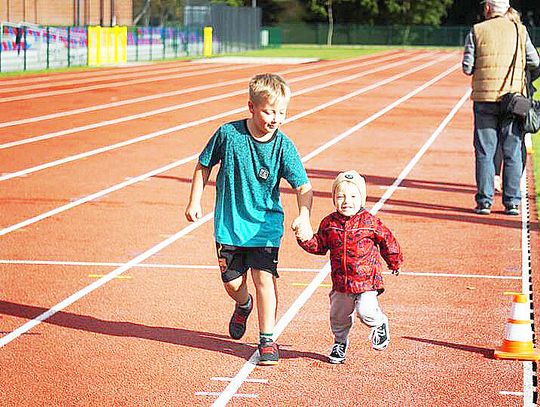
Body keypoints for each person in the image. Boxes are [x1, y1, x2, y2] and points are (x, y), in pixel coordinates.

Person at [185, 73, 313, 366]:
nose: (276, 118)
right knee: (232, 283)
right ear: (251, 107)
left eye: (282, 112)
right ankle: (243, 304)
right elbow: (203, 165)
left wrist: (304, 215)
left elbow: (303, 186)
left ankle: (267, 338)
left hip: (265, 227)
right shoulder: (228, 135)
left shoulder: (284, 146)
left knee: (264, 279)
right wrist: (194, 200)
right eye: (269, 111)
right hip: (229, 226)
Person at [294, 170, 403, 364]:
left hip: (367, 281)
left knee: (366, 311)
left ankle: (379, 323)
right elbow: (319, 246)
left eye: (353, 196)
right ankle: (339, 343)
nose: (346, 201)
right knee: (338, 316)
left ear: (361, 198)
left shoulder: (370, 222)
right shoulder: (329, 223)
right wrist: (304, 238)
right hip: (341, 282)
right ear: (334, 198)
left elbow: (387, 240)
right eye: (341, 196)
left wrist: (394, 261)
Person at [462, 0, 539, 216]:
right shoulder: (520, 30)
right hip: (513, 100)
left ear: (487, 8)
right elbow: (534, 61)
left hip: (485, 98)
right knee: (513, 150)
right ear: (506, 9)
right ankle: (512, 202)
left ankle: (485, 201)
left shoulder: (477, 30)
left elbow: (467, 67)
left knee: (485, 151)